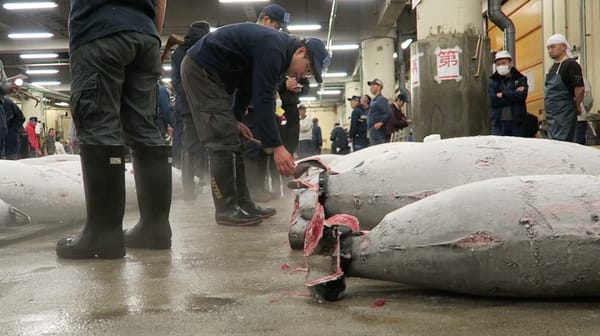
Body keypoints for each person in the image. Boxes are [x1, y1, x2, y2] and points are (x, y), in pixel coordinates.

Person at [181, 23, 329, 226]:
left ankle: (244, 203)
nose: (303, 75)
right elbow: (263, 100)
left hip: (217, 78)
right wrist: (277, 147)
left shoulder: (279, 57)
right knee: (221, 139)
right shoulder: (274, 49)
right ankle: (226, 209)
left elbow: (247, 90)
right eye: (308, 68)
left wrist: (236, 120)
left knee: (234, 138)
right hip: (201, 71)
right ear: (301, 51)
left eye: (309, 74)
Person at [56, 0, 172, 259]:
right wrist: (149, 30)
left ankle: (103, 235)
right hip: (145, 36)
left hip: (100, 30)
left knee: (98, 125)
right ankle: (155, 229)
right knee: (145, 128)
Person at [171, 20, 211, 201]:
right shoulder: (208, 48)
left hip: (187, 106)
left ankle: (188, 188)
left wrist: (187, 96)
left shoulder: (178, 52)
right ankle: (203, 180)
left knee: (189, 146)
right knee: (208, 143)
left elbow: (175, 82)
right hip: (206, 105)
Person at [544, 34, 584, 142]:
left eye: (553, 47)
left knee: (564, 144)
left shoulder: (571, 64)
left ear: (563, 47)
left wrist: (576, 105)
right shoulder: (553, 67)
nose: (550, 50)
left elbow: (579, 88)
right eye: (548, 48)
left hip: (564, 113)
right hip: (551, 115)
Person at [488, 50, 529, 137]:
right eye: (498, 64)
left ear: (510, 63)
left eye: (503, 63)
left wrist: (503, 95)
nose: (501, 66)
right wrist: (513, 95)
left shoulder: (520, 79)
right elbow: (493, 100)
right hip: (498, 123)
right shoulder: (493, 81)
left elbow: (522, 96)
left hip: (517, 123)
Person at [366, 79, 391, 145]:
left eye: (373, 85)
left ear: (379, 87)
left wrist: (381, 123)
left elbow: (388, 113)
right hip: (373, 131)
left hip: (378, 132)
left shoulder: (381, 99)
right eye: (370, 86)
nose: (371, 87)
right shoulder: (374, 100)